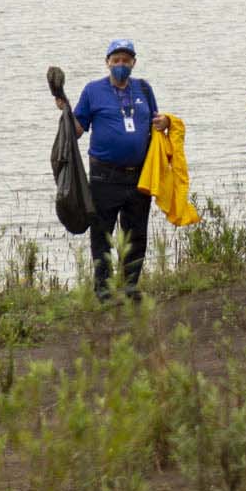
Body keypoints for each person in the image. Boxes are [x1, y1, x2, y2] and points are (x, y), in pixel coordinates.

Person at [55, 38, 170, 303]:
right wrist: (65, 112)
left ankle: (130, 285)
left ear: (133, 63)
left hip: (139, 174)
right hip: (104, 175)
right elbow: (77, 130)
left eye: (125, 60)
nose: (121, 65)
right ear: (107, 62)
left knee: (136, 232)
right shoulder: (93, 91)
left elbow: (155, 122)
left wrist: (165, 122)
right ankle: (104, 289)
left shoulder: (143, 88)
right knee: (102, 233)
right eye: (116, 60)